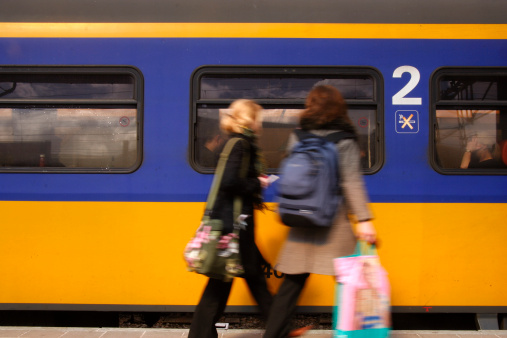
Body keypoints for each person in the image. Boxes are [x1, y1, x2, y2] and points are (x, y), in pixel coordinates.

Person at [263, 85, 377, 338]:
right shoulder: (345, 139)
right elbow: (351, 181)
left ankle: (273, 335)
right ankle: (355, 332)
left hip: (301, 217)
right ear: (338, 107)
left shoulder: (297, 136)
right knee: (349, 280)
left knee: (292, 283)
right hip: (332, 220)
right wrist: (365, 219)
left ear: (310, 105)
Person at [188, 99, 273, 338]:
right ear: (249, 120)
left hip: (232, 223)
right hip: (235, 225)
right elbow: (228, 182)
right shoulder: (242, 145)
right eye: (258, 120)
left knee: (232, 280)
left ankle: (280, 327)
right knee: (243, 278)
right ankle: (280, 327)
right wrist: (258, 182)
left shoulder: (230, 143)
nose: (260, 125)